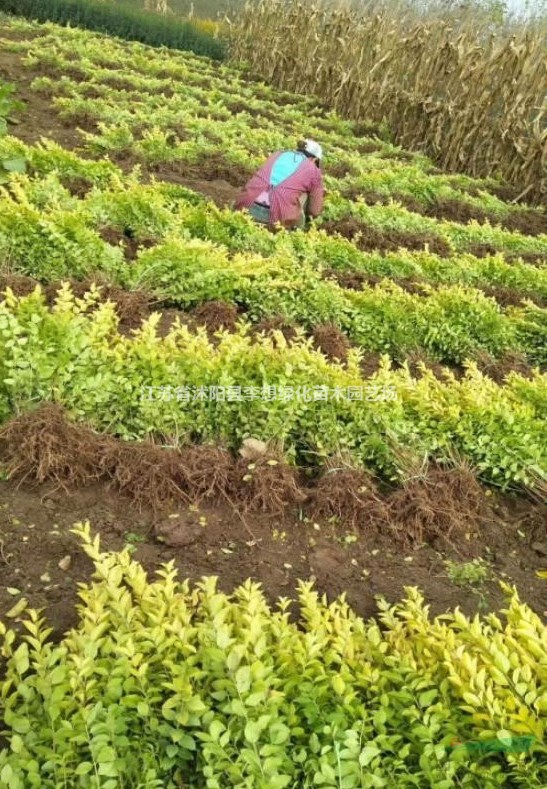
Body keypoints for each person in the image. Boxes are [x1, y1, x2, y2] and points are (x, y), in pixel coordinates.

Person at [234, 139, 324, 230]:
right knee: (305, 195)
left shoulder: (277, 154)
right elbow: (314, 211)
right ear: (314, 159)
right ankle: (292, 232)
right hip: (276, 219)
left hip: (244, 206)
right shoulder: (314, 170)